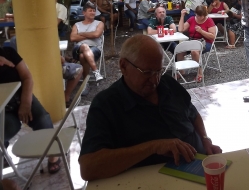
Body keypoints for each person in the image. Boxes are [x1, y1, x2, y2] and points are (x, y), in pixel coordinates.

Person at [78, 35, 222, 181]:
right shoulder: (106, 104)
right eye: (147, 72)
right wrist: (153, 147)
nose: (154, 80)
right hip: (155, 181)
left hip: (199, 166)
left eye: (158, 71)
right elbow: (88, 168)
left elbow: (192, 114)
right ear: (123, 66)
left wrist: (205, 139)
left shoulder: (167, 83)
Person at [0, 48, 62, 174]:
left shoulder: (8, 52)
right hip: (3, 108)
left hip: (22, 95)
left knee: (42, 120)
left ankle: (53, 155)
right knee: (6, 129)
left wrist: (26, 103)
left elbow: (27, 77)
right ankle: (3, 152)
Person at [178, 6, 217, 83]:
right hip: (193, 41)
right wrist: (182, 16)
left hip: (206, 42)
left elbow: (212, 36)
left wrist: (201, 31)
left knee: (194, 51)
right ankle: (180, 71)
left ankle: (200, 72)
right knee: (179, 50)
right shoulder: (192, 19)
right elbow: (180, 29)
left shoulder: (209, 21)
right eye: (197, 15)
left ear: (205, 15)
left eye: (201, 16)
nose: (198, 17)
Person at [70, 2, 104, 82]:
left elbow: (96, 34)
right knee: (84, 46)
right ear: (84, 13)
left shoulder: (99, 23)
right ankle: (96, 71)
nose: (93, 12)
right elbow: (72, 38)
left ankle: (85, 83)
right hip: (77, 50)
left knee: (83, 56)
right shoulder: (77, 25)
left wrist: (81, 34)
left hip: (95, 49)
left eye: (94, 11)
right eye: (90, 10)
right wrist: (90, 34)